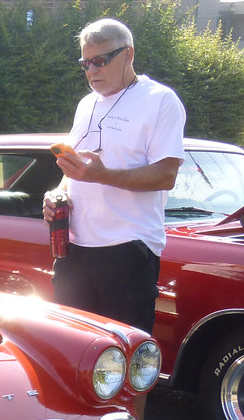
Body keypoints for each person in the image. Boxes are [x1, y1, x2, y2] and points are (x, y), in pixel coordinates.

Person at [43, 18, 186, 333]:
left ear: (128, 55)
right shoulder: (86, 104)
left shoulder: (160, 100)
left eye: (100, 61)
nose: (92, 71)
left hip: (126, 248)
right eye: (85, 63)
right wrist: (56, 194)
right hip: (74, 249)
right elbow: (77, 168)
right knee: (72, 349)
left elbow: (166, 175)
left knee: (120, 353)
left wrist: (102, 176)